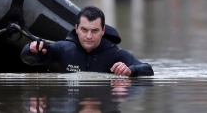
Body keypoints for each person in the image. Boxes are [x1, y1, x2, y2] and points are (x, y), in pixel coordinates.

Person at [20, 6, 154, 76]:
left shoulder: (115, 54)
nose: (89, 36)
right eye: (84, 30)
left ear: (103, 30)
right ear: (76, 29)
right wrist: (31, 49)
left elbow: (148, 70)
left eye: (95, 31)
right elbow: (25, 58)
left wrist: (130, 71)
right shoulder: (63, 49)